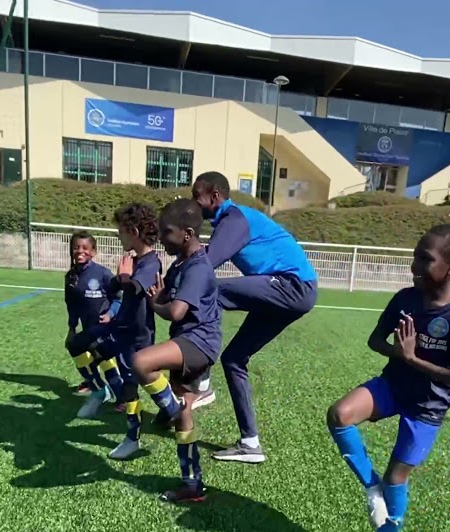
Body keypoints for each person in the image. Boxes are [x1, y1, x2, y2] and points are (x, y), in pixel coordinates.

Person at [325, 224, 450, 532]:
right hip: (393, 386)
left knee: (396, 478)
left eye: (424, 259)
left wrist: (414, 359)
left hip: (427, 406)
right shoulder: (405, 298)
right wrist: (398, 354)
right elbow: (374, 340)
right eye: (415, 256)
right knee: (339, 414)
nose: (413, 266)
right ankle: (371, 489)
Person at [192, 171, 318, 464]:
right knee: (234, 359)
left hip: (292, 286)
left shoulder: (234, 219)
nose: (193, 203)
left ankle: (201, 382)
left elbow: (208, 264)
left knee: (210, 291)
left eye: (196, 196)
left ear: (214, 196)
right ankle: (250, 443)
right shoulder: (230, 221)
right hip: (289, 290)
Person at [130, 198, 221, 503]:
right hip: (187, 342)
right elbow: (164, 288)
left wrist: (157, 304)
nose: (161, 238)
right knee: (185, 420)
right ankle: (192, 485)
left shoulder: (197, 268)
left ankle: (173, 409)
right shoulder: (182, 262)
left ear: (186, 233)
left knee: (141, 362)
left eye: (166, 232)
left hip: (197, 343)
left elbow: (177, 311)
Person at [66, 204, 161, 457]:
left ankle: (172, 414)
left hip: (137, 337)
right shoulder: (135, 259)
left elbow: (135, 289)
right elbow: (122, 286)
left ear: (134, 231)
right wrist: (120, 278)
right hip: (121, 332)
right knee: (89, 350)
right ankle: (100, 392)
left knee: (138, 388)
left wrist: (124, 278)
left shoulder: (151, 262)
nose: (118, 236)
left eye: (120, 231)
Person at [64, 231, 121, 406]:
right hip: (88, 328)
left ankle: (117, 396)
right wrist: (72, 328)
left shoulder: (103, 274)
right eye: (76, 247)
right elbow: (71, 305)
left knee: (100, 355)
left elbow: (118, 299)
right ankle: (97, 385)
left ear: (93, 252)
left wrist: (110, 314)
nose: (80, 251)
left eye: (85, 248)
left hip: (106, 327)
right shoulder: (70, 277)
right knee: (80, 347)